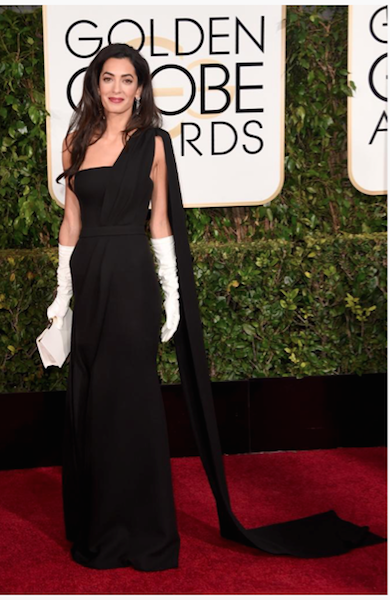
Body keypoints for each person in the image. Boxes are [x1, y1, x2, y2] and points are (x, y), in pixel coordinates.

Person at [48, 43, 386, 572]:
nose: (116, 88)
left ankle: (145, 533)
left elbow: (160, 222)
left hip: (133, 281)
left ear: (140, 88)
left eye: (127, 79)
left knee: (132, 402)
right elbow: (71, 223)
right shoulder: (74, 142)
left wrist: (172, 295)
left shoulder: (153, 143)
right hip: (89, 278)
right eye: (108, 78)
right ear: (95, 84)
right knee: (94, 402)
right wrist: (62, 296)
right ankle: (99, 528)